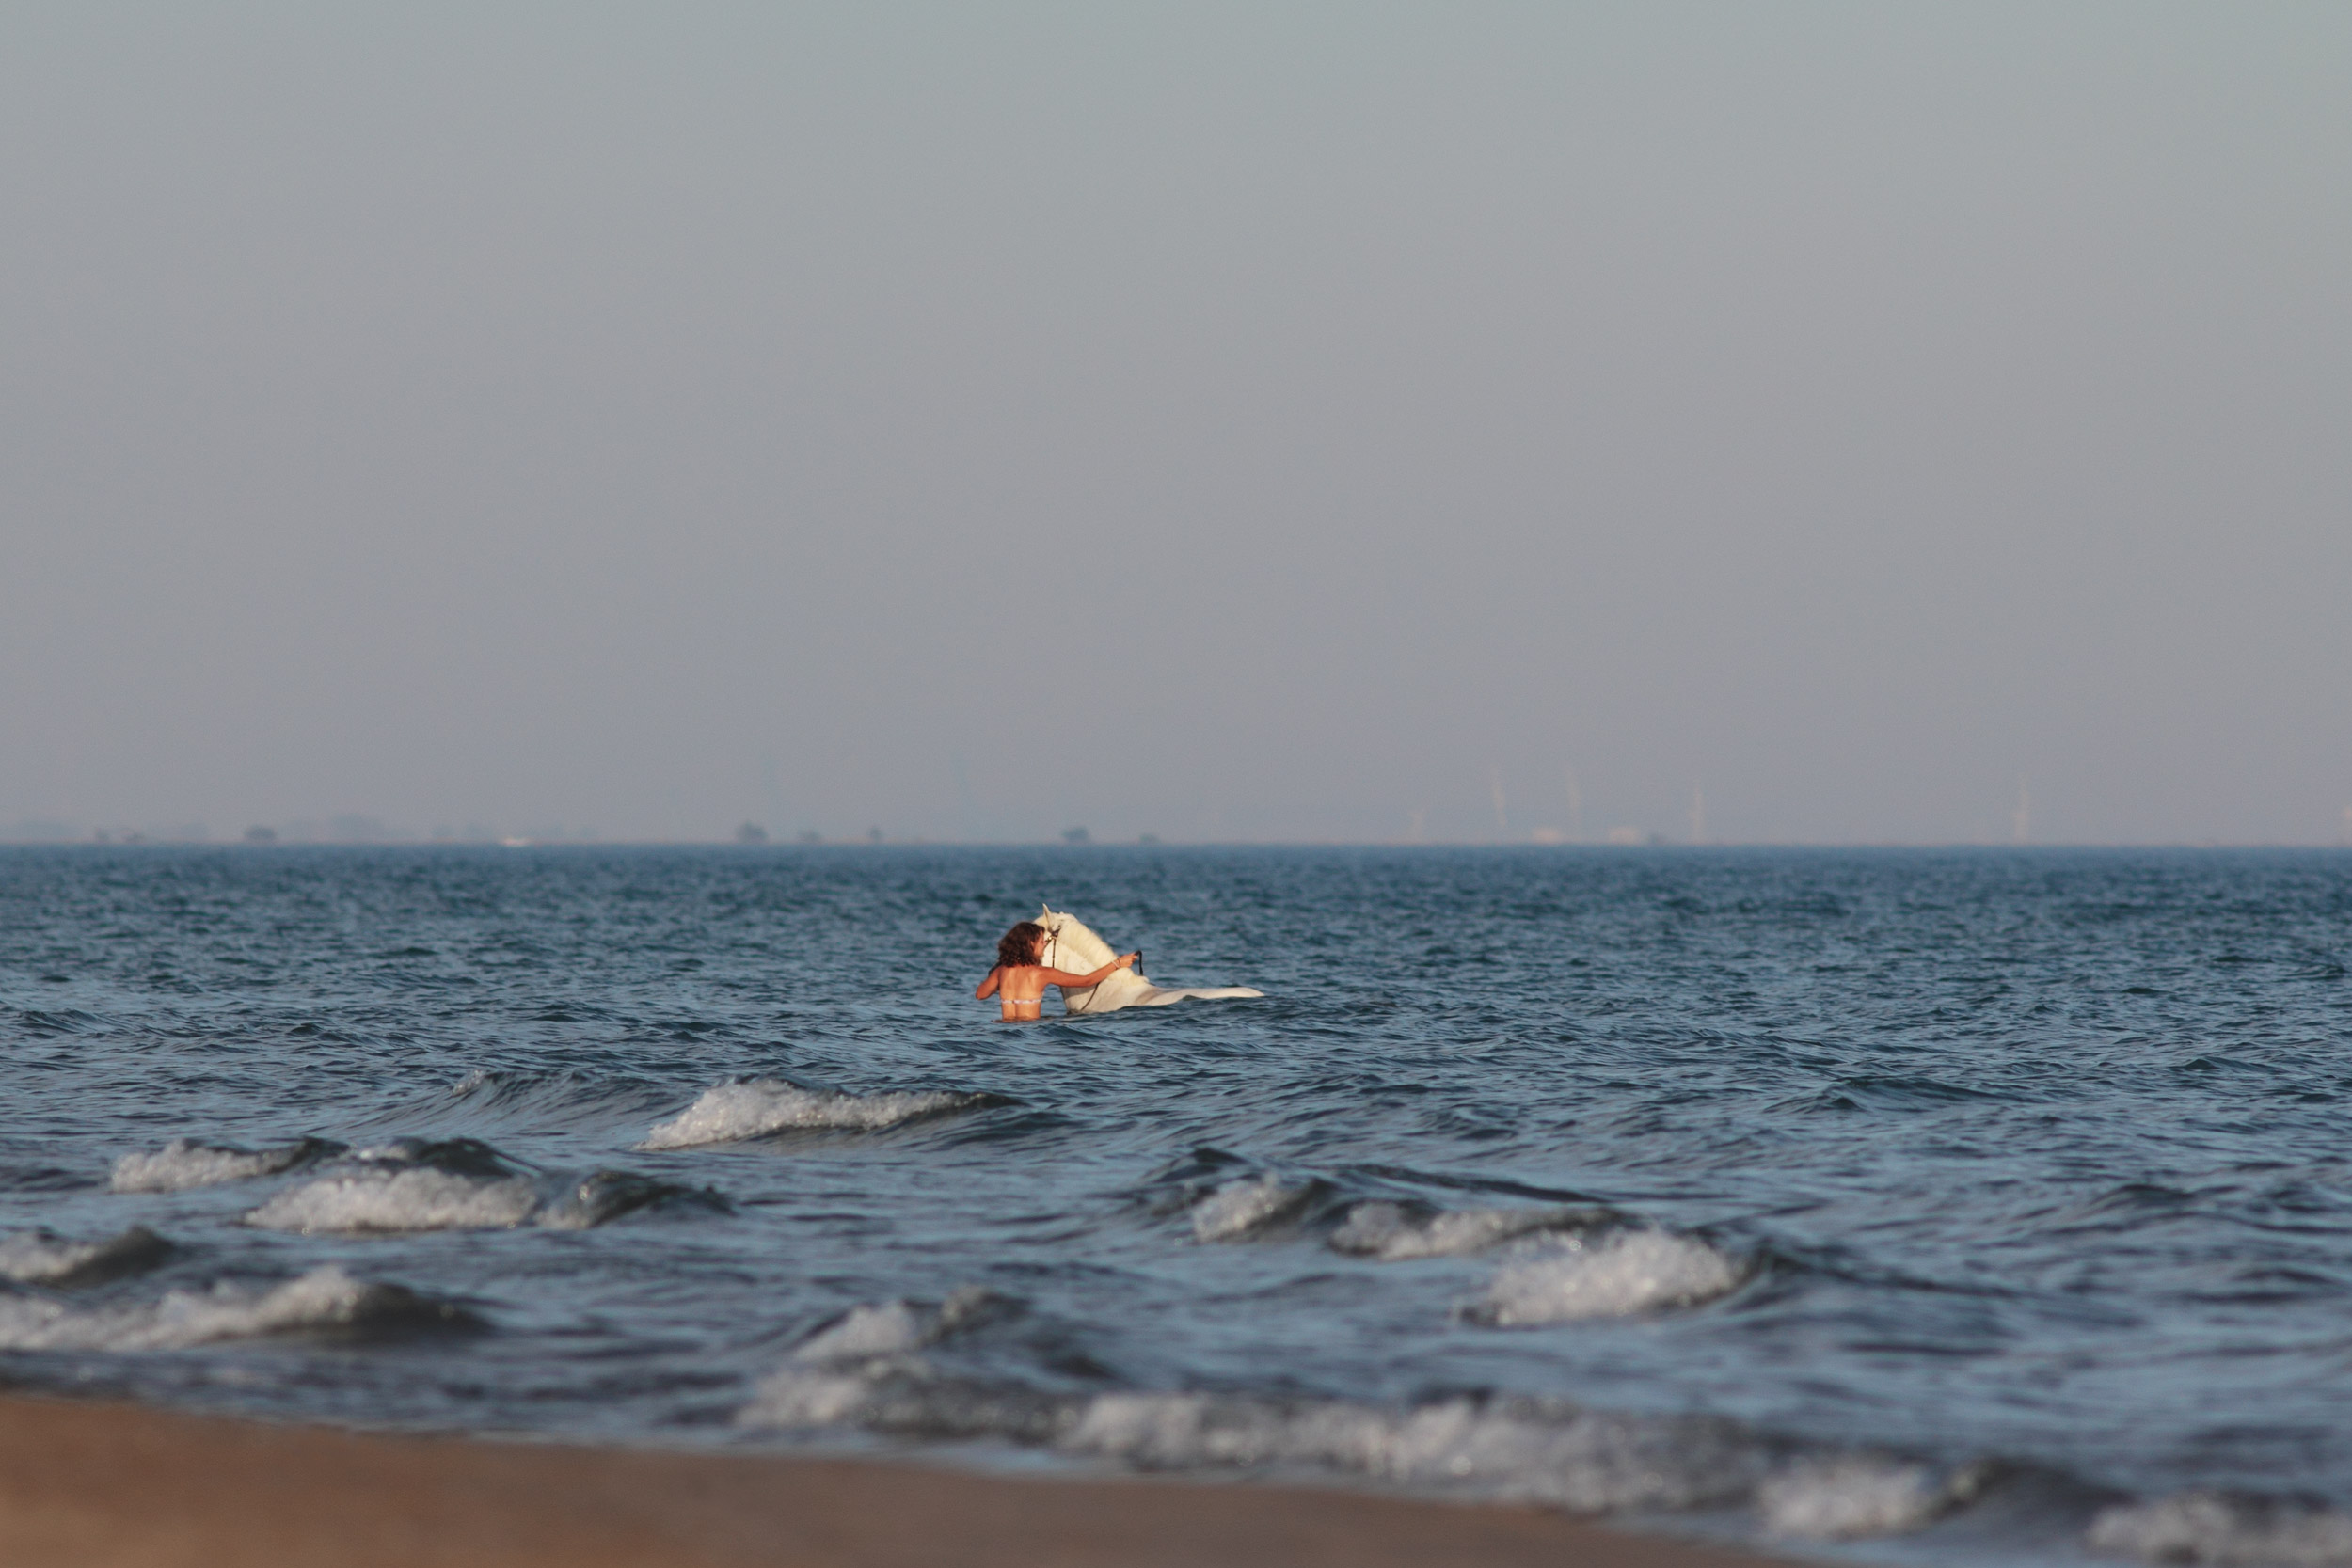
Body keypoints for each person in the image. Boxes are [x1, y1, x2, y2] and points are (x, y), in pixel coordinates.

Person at [976, 921, 1137, 1021]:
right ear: (1030, 944)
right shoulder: (1041, 973)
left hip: (1005, 1031)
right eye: (1041, 941)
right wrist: (1117, 963)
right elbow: (1086, 980)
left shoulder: (1001, 971)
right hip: (1030, 1034)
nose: (1045, 944)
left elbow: (980, 995)